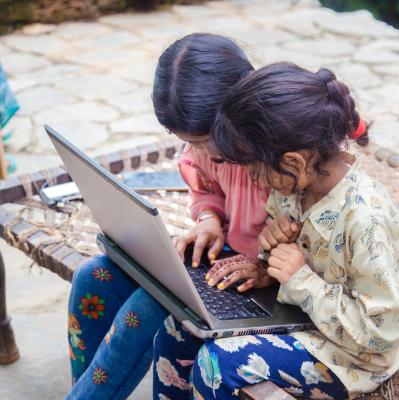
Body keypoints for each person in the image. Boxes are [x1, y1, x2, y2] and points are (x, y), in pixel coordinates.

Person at [152, 62, 399, 399]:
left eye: (253, 169)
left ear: (293, 162)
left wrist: (299, 279)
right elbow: (299, 260)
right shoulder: (293, 190)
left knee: (218, 363)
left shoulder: (365, 219)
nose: (252, 180)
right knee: (176, 330)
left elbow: (384, 331)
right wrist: (267, 266)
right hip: (305, 319)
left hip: (353, 356)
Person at [66, 33, 278, 399]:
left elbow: (319, 240)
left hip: (272, 287)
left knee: (150, 305)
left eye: (204, 140)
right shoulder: (211, 145)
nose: (201, 153)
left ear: (239, 108)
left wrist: (264, 267)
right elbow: (206, 187)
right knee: (93, 276)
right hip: (224, 263)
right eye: (189, 142)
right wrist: (210, 218)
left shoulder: (285, 153)